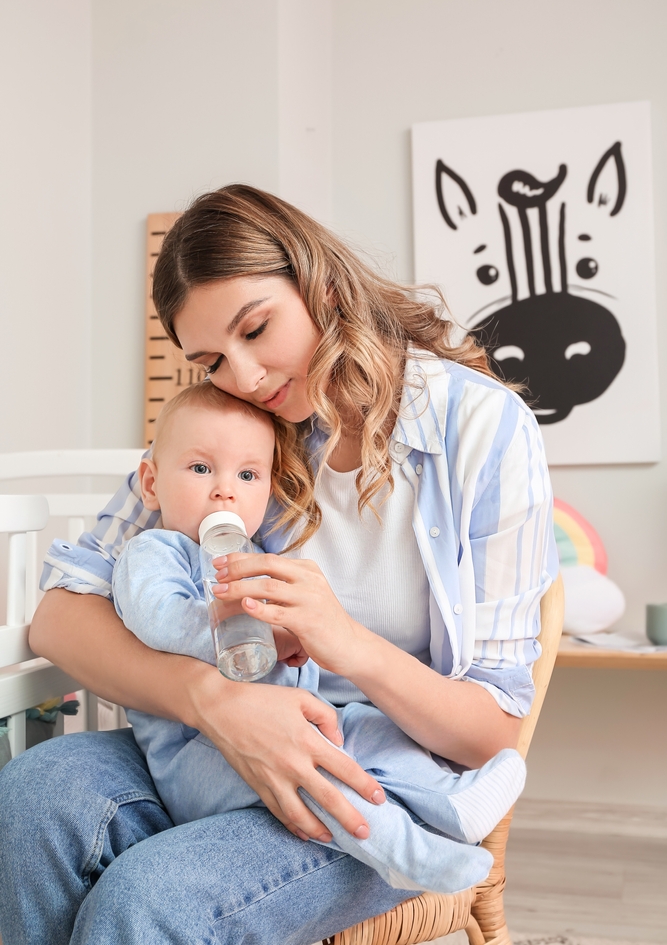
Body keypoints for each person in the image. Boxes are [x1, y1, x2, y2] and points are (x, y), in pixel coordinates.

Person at [0, 184, 557, 945]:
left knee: (151, 898)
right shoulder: (237, 428)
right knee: (29, 796)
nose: (247, 375)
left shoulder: (482, 429)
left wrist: (343, 639)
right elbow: (62, 615)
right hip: (206, 748)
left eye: (257, 329)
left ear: (319, 282)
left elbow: (490, 733)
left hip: (369, 783)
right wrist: (212, 701)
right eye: (212, 360)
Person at [110, 379, 526, 894]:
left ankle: (449, 800)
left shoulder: (261, 556)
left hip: (293, 719)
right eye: (200, 469)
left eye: (247, 474)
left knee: (364, 726)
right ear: (151, 484)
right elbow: (160, 621)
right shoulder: (154, 552)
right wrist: (241, 624)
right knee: (318, 774)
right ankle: (406, 855)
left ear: (269, 488)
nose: (225, 490)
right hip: (204, 755)